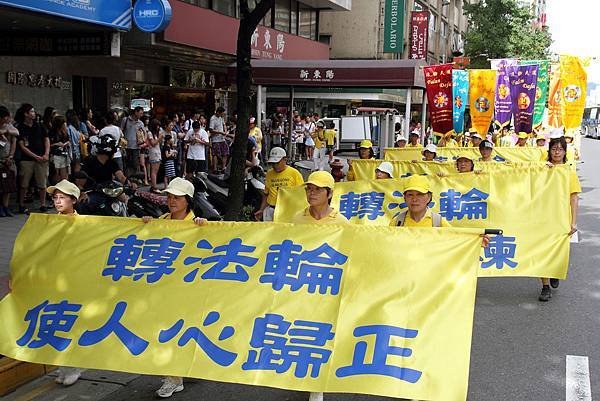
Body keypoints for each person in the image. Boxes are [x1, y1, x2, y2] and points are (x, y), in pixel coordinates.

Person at [141, 177, 206, 398]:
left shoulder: (198, 223)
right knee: (167, 329)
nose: (171, 201)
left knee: (186, 328)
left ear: (187, 200)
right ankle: (173, 377)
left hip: (188, 288)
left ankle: (182, 370)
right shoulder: (161, 220)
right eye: (169, 197)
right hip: (165, 286)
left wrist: (203, 228)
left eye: (177, 197)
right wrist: (148, 226)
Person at [46, 179, 84, 385]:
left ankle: (73, 367)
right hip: (53, 280)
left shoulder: (83, 224)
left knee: (69, 322)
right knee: (54, 321)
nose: (58, 202)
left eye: (62, 198)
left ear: (73, 200)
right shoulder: (49, 222)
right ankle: (64, 366)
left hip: (74, 281)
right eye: (55, 198)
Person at [538, 135, 580, 302]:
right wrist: (541, 169)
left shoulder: (568, 171)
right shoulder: (540, 169)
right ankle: (545, 286)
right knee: (542, 251)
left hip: (561, 219)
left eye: (560, 149)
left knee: (557, 252)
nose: (556, 152)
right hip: (541, 218)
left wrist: (574, 221)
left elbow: (574, 197)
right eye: (554, 149)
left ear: (565, 152)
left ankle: (554, 271)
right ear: (549, 151)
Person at [15, 103, 50, 214]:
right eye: (32, 111)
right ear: (26, 114)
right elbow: (21, 145)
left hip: (42, 158)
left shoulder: (39, 125)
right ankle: (21, 204)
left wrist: (46, 153)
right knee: (24, 183)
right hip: (26, 159)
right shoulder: (20, 127)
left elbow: (46, 139)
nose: (34, 113)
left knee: (42, 183)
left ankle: (43, 204)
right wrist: (35, 157)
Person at [255, 147, 304, 222]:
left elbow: (301, 194)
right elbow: (266, 194)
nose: (275, 166)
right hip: (271, 209)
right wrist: (261, 209)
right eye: (273, 163)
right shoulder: (269, 173)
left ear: (285, 160)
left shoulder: (294, 173)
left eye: (277, 163)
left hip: (287, 210)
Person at [0, 106, 18, 217]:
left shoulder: (9, 127)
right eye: (6, 117)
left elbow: (16, 134)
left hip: (8, 159)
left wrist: (10, 156)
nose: (8, 119)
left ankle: (6, 207)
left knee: (8, 185)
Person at [121, 106, 144, 176]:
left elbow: (144, 134)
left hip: (136, 146)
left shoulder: (140, 123)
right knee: (126, 163)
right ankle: (127, 178)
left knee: (135, 163)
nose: (141, 115)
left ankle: (133, 177)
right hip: (126, 146)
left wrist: (142, 141)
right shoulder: (125, 120)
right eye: (140, 113)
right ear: (136, 112)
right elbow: (121, 131)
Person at [49, 115, 71, 183]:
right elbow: (48, 145)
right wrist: (56, 144)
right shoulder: (52, 133)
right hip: (55, 156)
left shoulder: (65, 132)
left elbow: (68, 140)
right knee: (56, 175)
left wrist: (67, 143)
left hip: (64, 155)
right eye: (64, 122)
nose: (65, 124)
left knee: (65, 177)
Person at [209, 107, 229, 173]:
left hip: (222, 138)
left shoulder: (221, 118)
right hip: (215, 139)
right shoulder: (213, 119)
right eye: (221, 113)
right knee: (215, 154)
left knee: (225, 152)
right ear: (218, 112)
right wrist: (220, 132)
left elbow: (224, 125)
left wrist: (225, 131)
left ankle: (223, 167)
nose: (222, 115)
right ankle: (215, 168)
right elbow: (211, 129)